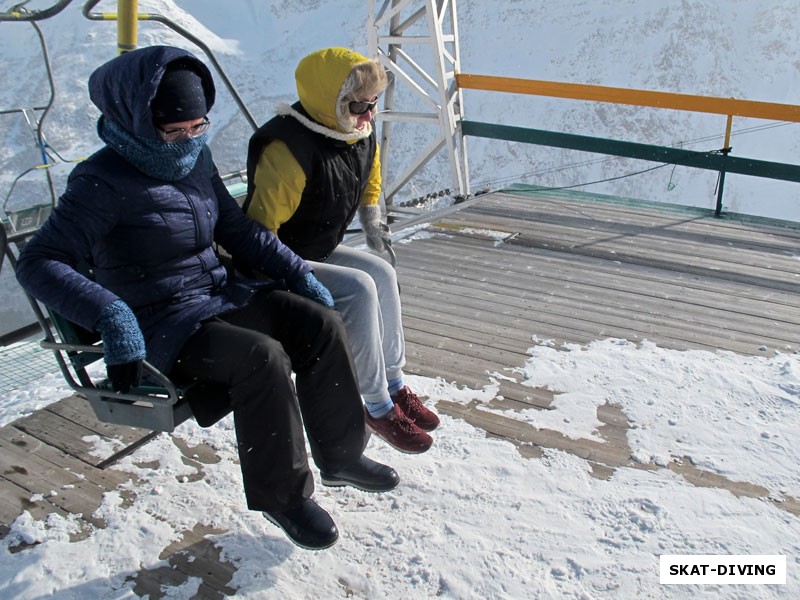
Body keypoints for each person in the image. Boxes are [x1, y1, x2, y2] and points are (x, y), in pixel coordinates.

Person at [14, 45, 399, 551]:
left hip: (216, 295)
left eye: (198, 128)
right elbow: (39, 262)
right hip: (160, 322)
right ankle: (285, 497)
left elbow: (235, 228)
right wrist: (112, 318)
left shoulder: (194, 159)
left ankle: (342, 455)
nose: (187, 141)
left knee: (317, 321)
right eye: (175, 131)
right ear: (137, 119)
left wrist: (294, 272)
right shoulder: (100, 181)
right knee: (262, 357)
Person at [243, 47, 440, 455]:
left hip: (318, 244)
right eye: (358, 105)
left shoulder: (352, 130)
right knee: (359, 287)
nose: (368, 115)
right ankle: (376, 404)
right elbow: (261, 231)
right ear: (328, 101)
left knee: (381, 273)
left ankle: (395, 381)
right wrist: (292, 274)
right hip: (281, 259)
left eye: (372, 105)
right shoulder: (288, 150)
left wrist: (371, 216)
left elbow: (371, 169)